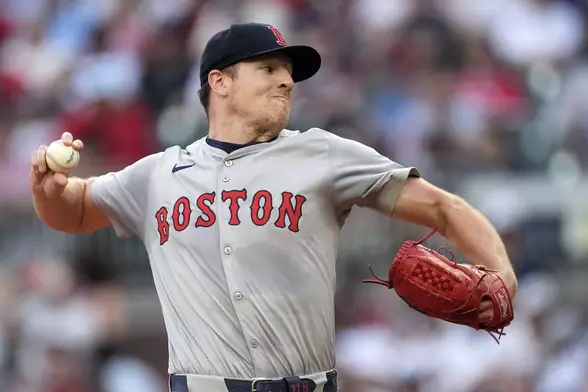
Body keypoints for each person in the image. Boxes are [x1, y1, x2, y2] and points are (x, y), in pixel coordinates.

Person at [30, 23, 518, 392]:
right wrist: (47, 187)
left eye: (288, 73)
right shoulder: (157, 174)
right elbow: (72, 212)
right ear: (219, 83)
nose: (285, 81)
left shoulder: (322, 154)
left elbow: (444, 208)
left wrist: (504, 277)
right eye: (268, 69)